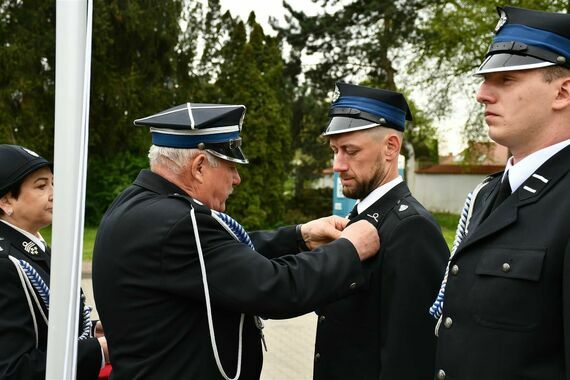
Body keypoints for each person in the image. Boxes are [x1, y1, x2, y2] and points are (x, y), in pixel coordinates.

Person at [91, 102, 380, 380]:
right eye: (230, 166)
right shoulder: (179, 223)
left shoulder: (142, 205)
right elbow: (275, 289)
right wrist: (350, 249)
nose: (237, 179)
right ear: (200, 166)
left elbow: (218, 257)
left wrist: (299, 236)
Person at [432, 6, 570, 380]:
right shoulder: (488, 194)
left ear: (563, 91)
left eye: (505, 80)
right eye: (485, 80)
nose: (481, 94)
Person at [312, 82, 449, 380]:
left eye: (350, 150)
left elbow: (410, 357)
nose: (338, 165)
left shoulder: (411, 229)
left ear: (390, 147)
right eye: (335, 151)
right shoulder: (360, 216)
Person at [0, 144, 108, 379]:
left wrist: (90, 329)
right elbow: (15, 370)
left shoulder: (28, 245)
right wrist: (100, 350)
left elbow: (46, 327)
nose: (54, 193)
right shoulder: (6, 264)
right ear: (6, 202)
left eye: (53, 183)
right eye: (41, 186)